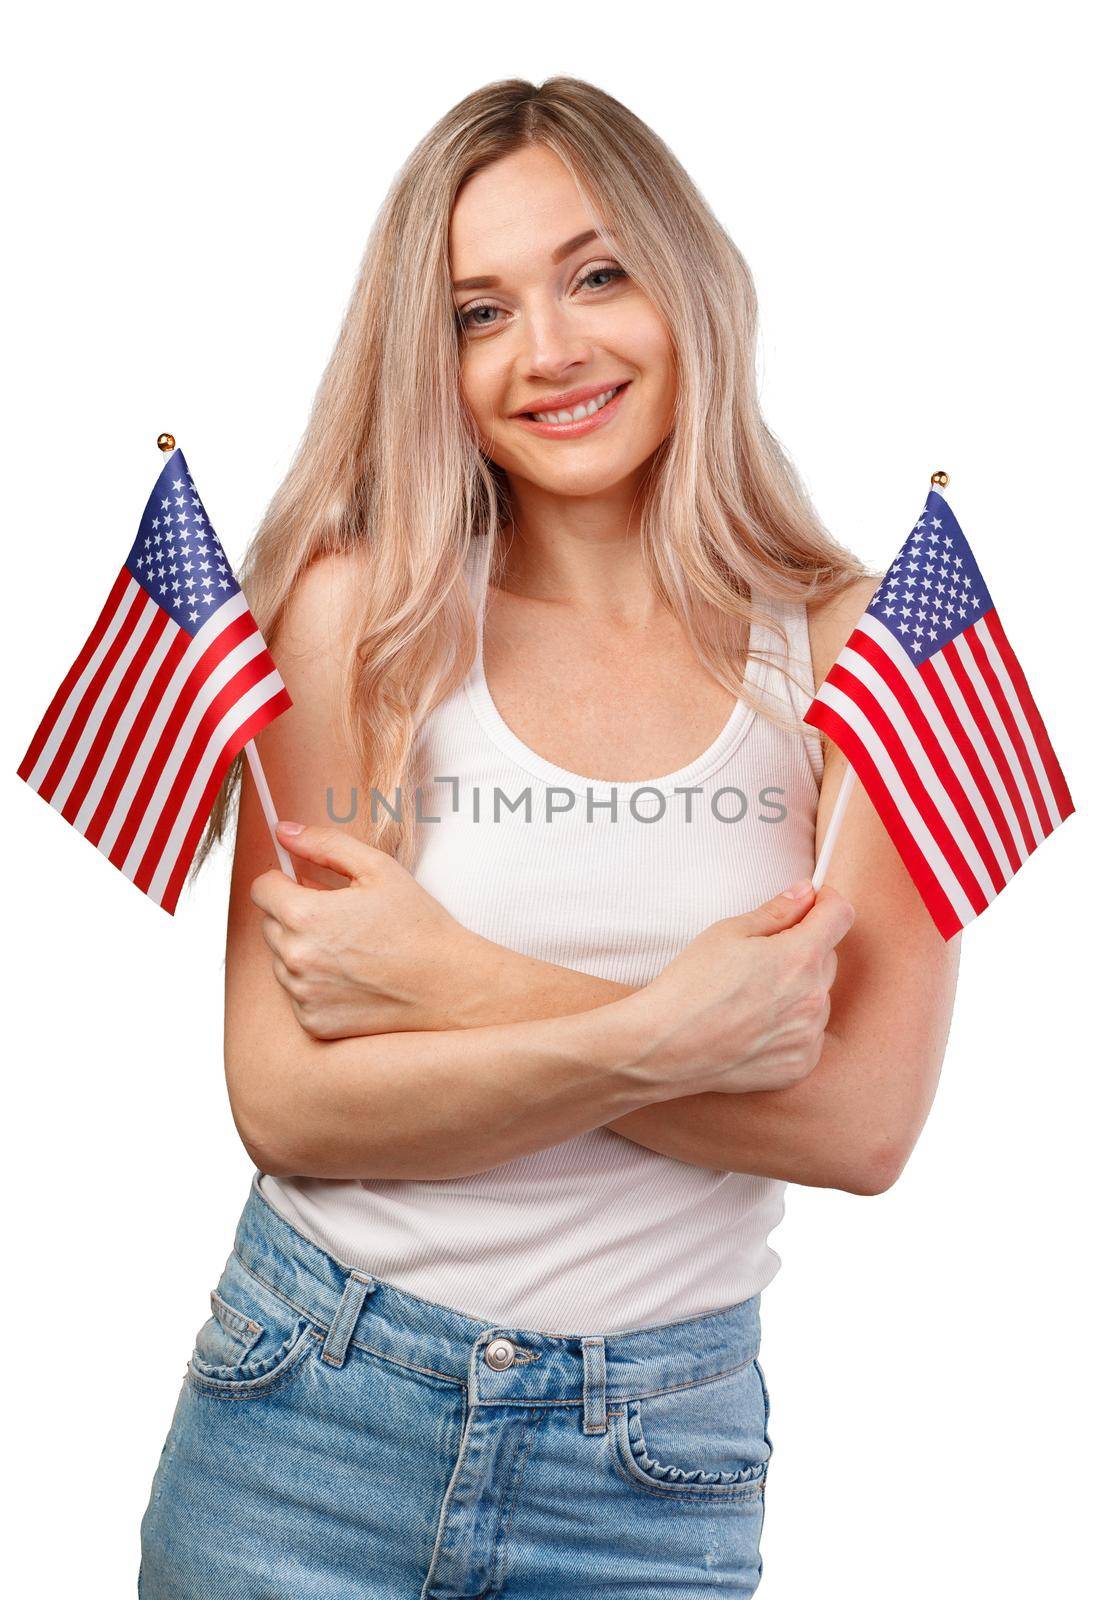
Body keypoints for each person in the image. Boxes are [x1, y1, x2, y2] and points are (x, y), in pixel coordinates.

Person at [138, 76, 959, 1598]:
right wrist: (683, 1034)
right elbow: (288, 1105)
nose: (551, 352)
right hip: (311, 1418)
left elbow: (855, 1127)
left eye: (596, 274)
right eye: (477, 312)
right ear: (431, 359)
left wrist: (442, 976)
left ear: (685, 284)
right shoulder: (358, 620)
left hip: (652, 1475)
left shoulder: (863, 664)